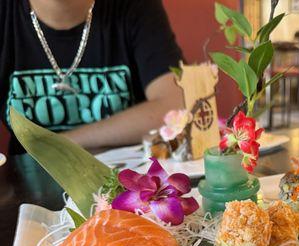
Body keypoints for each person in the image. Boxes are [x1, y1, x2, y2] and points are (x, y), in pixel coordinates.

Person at [0, 0, 185, 154]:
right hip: (27, 184)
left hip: (124, 180)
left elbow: (174, 106)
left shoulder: (135, 6)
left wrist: (60, 145)